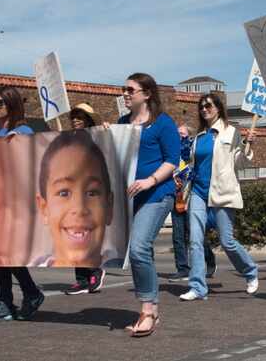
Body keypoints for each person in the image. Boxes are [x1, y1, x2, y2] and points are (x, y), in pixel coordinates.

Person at [179, 93, 259, 301]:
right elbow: (192, 164)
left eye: (208, 106)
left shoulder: (231, 132)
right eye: (202, 107)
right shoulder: (199, 137)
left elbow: (240, 162)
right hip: (198, 192)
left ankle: (250, 271)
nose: (204, 109)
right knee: (195, 241)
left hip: (222, 191)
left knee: (227, 241)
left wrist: (249, 145)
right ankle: (197, 287)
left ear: (218, 108)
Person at [0, 86, 45, 323]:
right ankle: (15, 298)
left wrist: (19, 145)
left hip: (15, 203)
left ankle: (16, 298)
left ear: (12, 105)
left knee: (7, 253)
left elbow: (30, 163)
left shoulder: (23, 131)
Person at [118, 73, 179, 338]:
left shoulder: (163, 123)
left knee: (140, 247)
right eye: (124, 89)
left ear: (147, 94)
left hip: (158, 194)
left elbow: (172, 160)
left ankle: (147, 310)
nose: (125, 94)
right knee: (143, 252)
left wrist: (149, 180)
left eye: (130, 89)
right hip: (131, 198)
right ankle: (152, 306)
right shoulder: (122, 123)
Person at [35, 130, 114, 268]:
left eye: (92, 193)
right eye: (64, 193)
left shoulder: (115, 262)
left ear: (109, 207)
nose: (79, 208)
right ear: (44, 208)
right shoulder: (34, 265)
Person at [63, 103, 107, 295]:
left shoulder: (97, 137)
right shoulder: (68, 140)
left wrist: (107, 131)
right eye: (73, 116)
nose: (76, 120)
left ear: (88, 119)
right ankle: (81, 278)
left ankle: (94, 270)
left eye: (80, 116)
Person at [169, 125, 216, 282]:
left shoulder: (191, 151)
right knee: (178, 235)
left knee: (195, 234)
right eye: (177, 134)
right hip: (177, 197)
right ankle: (182, 268)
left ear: (189, 136)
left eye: (182, 133)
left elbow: (194, 170)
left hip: (190, 195)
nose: (179, 136)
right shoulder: (171, 152)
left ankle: (209, 261)